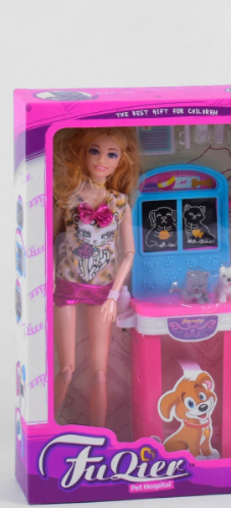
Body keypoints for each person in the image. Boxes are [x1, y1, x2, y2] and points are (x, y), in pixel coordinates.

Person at [53, 127, 139, 427]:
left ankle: (100, 436)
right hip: (65, 285)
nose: (102, 160)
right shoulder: (67, 198)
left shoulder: (120, 203)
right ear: (83, 154)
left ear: (121, 161)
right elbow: (48, 240)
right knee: (66, 369)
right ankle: (48, 426)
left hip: (103, 290)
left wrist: (114, 295)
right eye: (94, 151)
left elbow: (129, 253)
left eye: (111, 154)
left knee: (100, 373)